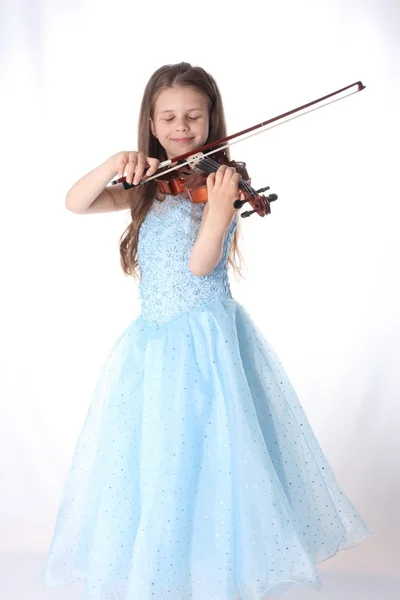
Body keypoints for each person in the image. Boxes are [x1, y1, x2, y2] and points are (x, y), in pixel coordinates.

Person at [40, 62, 371, 599]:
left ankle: (215, 573)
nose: (181, 127)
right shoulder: (147, 184)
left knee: (210, 452)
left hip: (205, 341)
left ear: (212, 119)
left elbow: (200, 265)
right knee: (160, 458)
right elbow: (76, 202)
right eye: (168, 117)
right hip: (154, 341)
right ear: (150, 121)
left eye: (194, 116)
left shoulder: (220, 184)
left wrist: (220, 212)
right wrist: (112, 162)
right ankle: (168, 571)